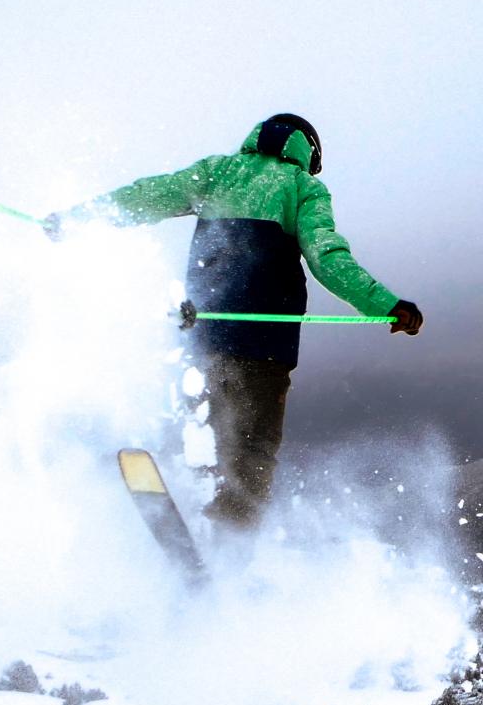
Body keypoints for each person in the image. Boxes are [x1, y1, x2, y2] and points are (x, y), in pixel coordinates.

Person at [43, 113, 423, 529]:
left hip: (201, 336)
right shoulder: (302, 187)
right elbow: (326, 257)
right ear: (308, 153)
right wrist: (385, 304)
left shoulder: (215, 171)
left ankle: (183, 516)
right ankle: (230, 548)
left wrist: (79, 218)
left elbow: (146, 196)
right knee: (251, 454)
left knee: (202, 438)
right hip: (263, 348)